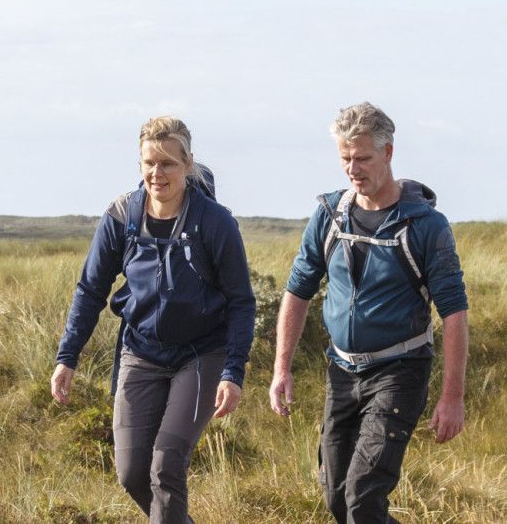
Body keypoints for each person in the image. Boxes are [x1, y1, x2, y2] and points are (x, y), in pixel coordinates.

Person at [268, 102, 470, 523]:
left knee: (363, 497)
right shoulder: (327, 216)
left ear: (388, 153)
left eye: (362, 158)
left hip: (400, 371)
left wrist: (453, 397)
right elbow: (297, 291)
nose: (352, 168)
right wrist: (281, 369)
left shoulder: (427, 227)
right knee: (338, 501)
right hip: (341, 373)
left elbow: (454, 314)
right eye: (345, 159)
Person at [51, 116, 257, 523]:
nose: (156, 173)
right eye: (148, 163)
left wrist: (233, 371)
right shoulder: (121, 217)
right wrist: (67, 356)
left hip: (200, 355)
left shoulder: (214, 223)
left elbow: (241, 302)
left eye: (167, 164)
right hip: (141, 353)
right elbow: (91, 290)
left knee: (165, 465)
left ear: (188, 164)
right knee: (131, 474)